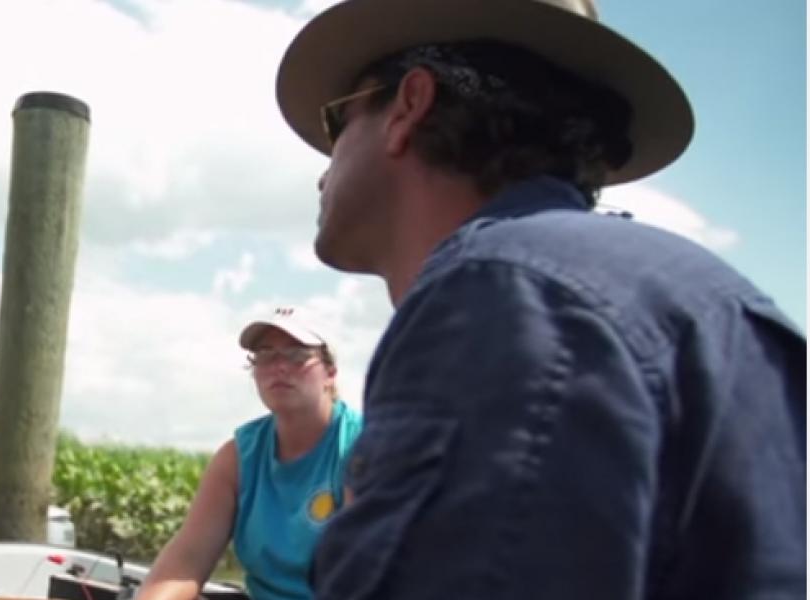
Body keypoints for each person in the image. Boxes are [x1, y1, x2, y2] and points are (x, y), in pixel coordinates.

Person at [271, 0, 806, 598]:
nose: (324, 169)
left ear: (408, 107)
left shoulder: (502, 298)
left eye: (335, 125)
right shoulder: (702, 297)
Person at [139, 308, 364, 600]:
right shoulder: (237, 458)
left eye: (297, 356)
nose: (280, 366)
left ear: (330, 374)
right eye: (266, 355)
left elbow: (362, 578)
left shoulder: (361, 447)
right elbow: (187, 561)